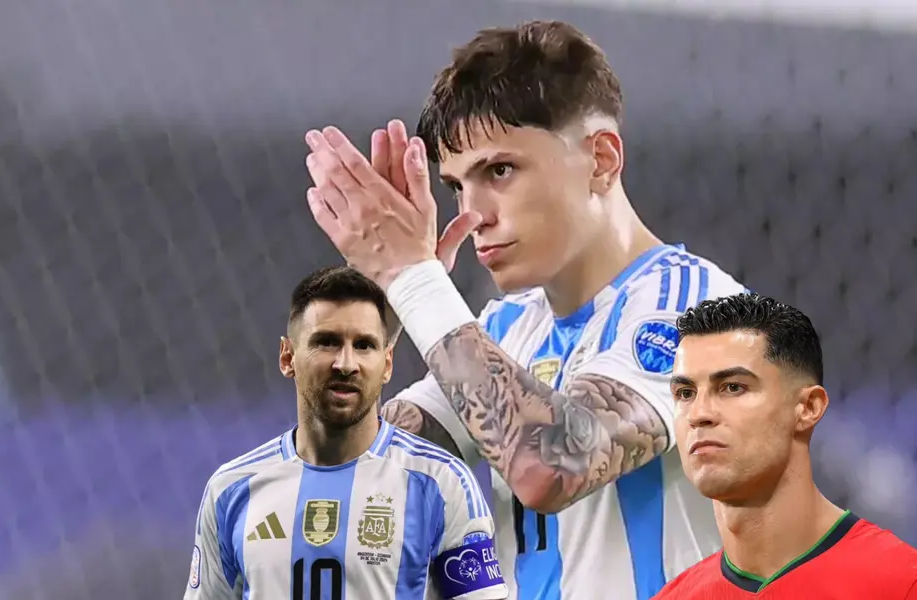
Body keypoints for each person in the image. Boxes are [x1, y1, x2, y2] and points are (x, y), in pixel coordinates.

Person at [300, 20, 746, 600]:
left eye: (500, 171)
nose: (473, 212)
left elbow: (553, 466)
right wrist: (391, 306)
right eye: (457, 186)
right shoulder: (508, 328)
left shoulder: (698, 308)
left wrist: (415, 281)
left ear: (602, 160)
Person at [185, 266, 507, 600]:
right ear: (287, 357)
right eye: (327, 342)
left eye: (364, 345)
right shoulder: (231, 489)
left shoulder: (442, 483)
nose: (346, 363)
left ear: (388, 364)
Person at [653, 293, 917, 599]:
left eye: (733, 387)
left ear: (808, 407)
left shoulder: (913, 588)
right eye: (685, 393)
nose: (699, 414)